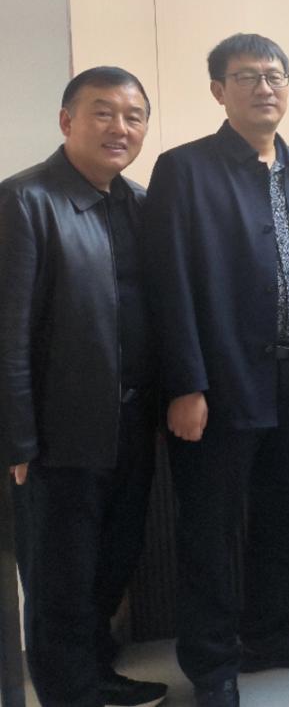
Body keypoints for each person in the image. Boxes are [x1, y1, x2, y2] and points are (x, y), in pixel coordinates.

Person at [144, 34, 289, 707]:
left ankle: (269, 634)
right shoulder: (184, 170)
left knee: (288, 515)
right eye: (247, 76)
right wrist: (186, 383)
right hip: (221, 383)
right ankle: (212, 665)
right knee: (211, 530)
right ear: (218, 90)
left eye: (275, 75)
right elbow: (167, 285)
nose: (264, 87)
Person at [0, 67, 167, 707]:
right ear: (67, 121)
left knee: (114, 558)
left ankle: (96, 672)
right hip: (57, 433)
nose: (119, 128)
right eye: (103, 113)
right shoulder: (25, 201)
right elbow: (9, 332)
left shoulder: (140, 203)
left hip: (131, 422)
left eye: (133, 116)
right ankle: (69, 692)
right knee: (60, 575)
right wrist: (17, 439)